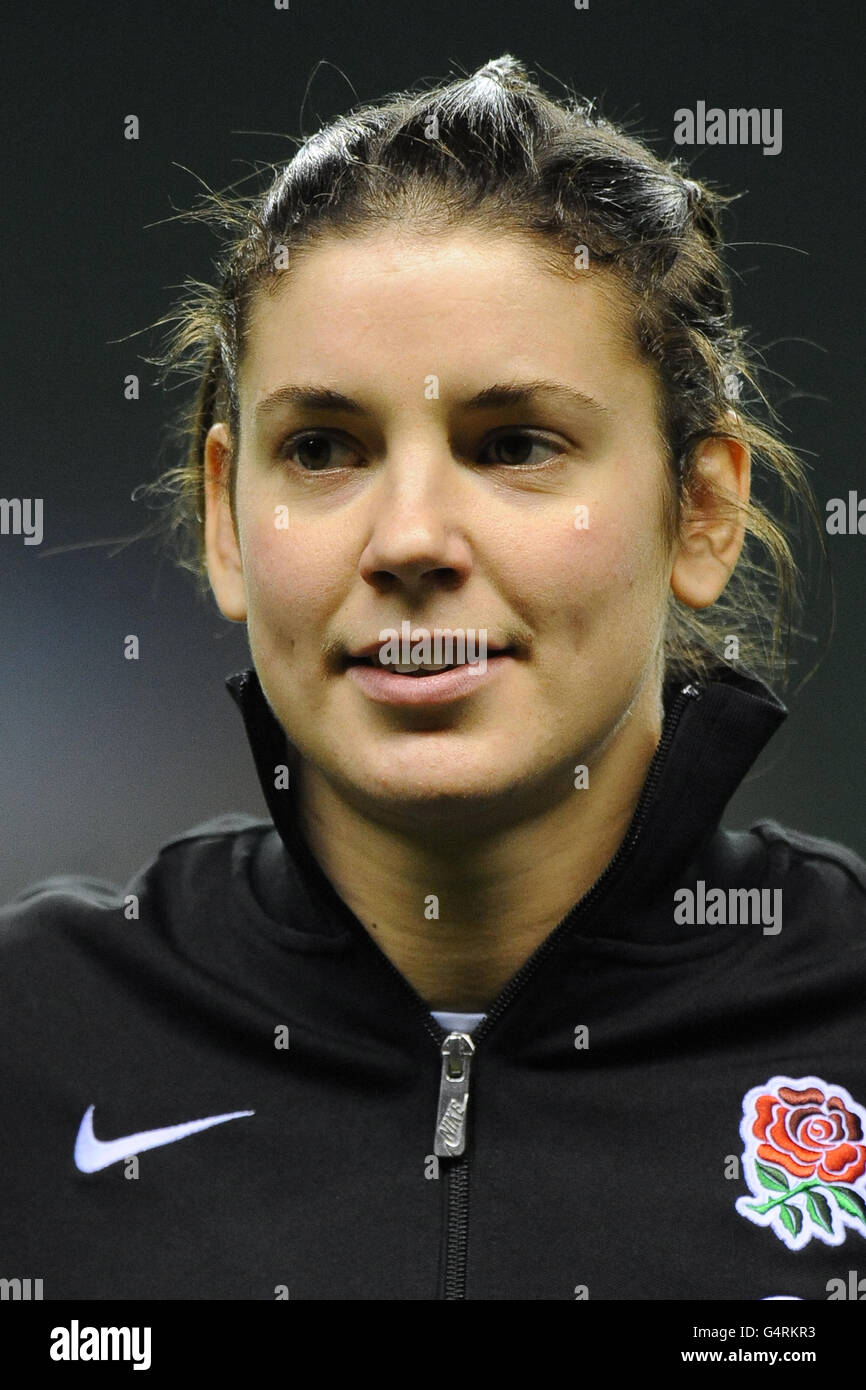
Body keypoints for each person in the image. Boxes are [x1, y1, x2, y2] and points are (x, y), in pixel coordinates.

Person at [2, 53, 865, 1303]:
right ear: (227, 520)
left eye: (513, 444)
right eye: (322, 448)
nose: (408, 538)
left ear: (699, 511)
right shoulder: (31, 1039)